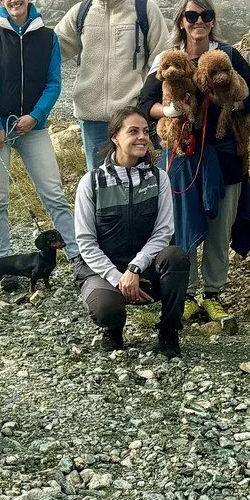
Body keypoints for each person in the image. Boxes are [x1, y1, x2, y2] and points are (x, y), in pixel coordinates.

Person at [137, 0, 250, 324]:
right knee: (182, 225)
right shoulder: (168, 60)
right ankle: (189, 292)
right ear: (182, 20)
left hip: (224, 156)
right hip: (182, 156)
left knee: (219, 228)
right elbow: (144, 104)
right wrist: (170, 111)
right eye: (192, 16)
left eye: (206, 15)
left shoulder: (227, 56)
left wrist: (227, 105)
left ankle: (212, 293)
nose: (199, 22)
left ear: (213, 19)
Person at [0, 0, 80, 259]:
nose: (14, 0)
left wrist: (35, 116)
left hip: (33, 128)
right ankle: (4, 260)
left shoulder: (47, 38)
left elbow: (53, 82)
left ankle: (77, 255)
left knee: (54, 194)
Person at [73, 106, 190, 358]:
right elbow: (85, 242)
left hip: (144, 268)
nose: (142, 137)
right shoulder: (91, 182)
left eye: (145, 131)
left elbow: (163, 231)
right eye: (133, 131)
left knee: (176, 256)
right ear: (115, 137)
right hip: (102, 270)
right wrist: (118, 279)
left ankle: (169, 331)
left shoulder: (159, 178)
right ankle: (113, 329)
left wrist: (135, 268)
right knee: (107, 309)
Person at [54, 0, 170, 168]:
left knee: (139, 184)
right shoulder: (81, 12)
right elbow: (51, 50)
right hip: (93, 120)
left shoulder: (145, 10)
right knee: (100, 186)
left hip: (133, 117)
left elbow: (161, 61)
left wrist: (152, 105)